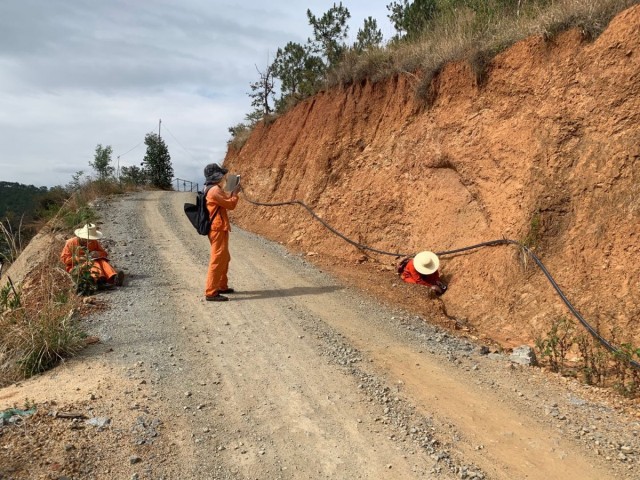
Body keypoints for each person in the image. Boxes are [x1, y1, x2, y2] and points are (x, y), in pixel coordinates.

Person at [204, 163, 239, 302]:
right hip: (217, 228)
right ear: (216, 176)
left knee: (224, 258)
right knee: (218, 259)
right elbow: (230, 205)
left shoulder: (212, 188)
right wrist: (235, 194)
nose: (223, 178)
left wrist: (231, 193)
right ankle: (211, 292)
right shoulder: (214, 190)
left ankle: (222, 286)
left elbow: (224, 201)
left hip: (219, 228)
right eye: (221, 175)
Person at [61, 223, 124, 288]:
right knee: (94, 263)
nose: (89, 241)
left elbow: (104, 253)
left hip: (91, 262)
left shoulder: (94, 242)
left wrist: (97, 253)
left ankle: (113, 277)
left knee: (102, 261)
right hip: (76, 266)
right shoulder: (71, 242)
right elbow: (64, 259)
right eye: (87, 239)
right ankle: (99, 280)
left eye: (90, 239)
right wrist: (80, 258)